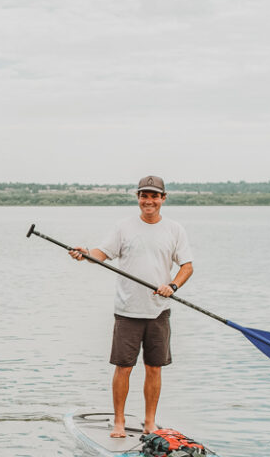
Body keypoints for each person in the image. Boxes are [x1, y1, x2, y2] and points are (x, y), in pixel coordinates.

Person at [69, 175, 194, 438]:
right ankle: (119, 422)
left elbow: (187, 266)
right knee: (124, 367)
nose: (149, 201)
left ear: (163, 198)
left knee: (154, 368)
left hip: (158, 310)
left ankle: (150, 423)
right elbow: (102, 254)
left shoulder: (174, 230)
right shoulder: (123, 227)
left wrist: (172, 286)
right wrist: (86, 254)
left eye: (154, 196)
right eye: (144, 195)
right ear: (138, 198)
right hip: (127, 311)